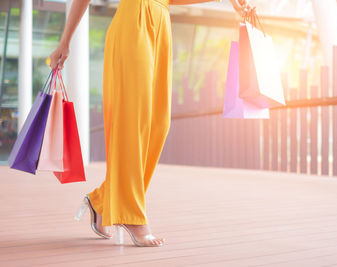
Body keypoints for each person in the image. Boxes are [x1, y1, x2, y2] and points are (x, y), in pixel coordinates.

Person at [49, 0, 251, 247]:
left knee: (158, 123)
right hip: (133, 22)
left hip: (161, 21)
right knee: (132, 120)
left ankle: (101, 202)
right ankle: (131, 214)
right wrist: (65, 42)